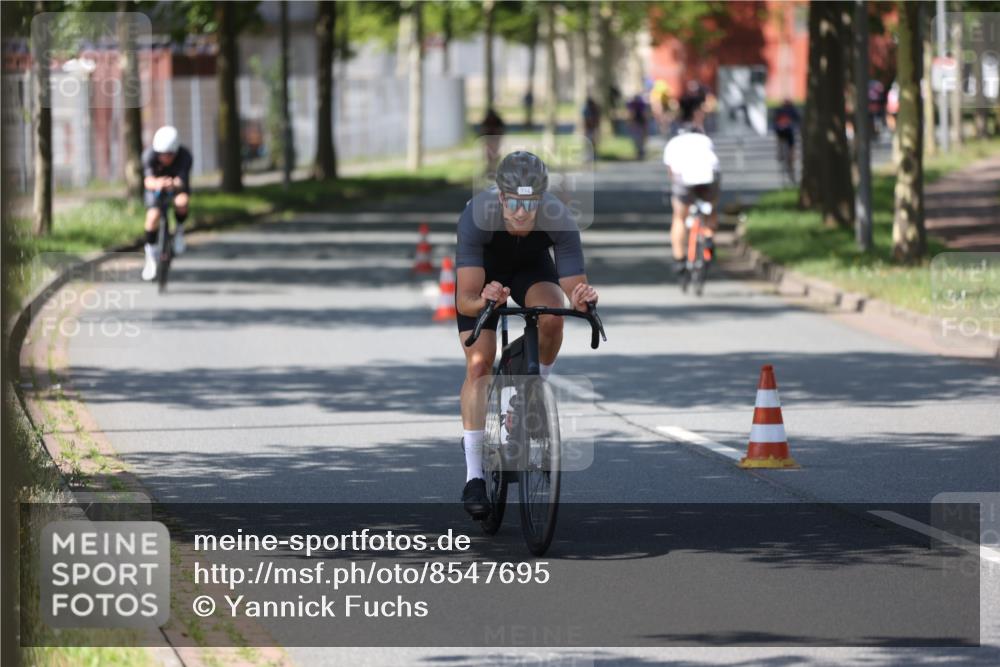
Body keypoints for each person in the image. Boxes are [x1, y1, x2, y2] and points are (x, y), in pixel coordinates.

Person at [454, 151, 599, 518]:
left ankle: (533, 390)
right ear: (501, 197)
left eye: (530, 202)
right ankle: (473, 476)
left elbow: (573, 285)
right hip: (484, 275)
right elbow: (465, 299)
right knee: (479, 364)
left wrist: (582, 298)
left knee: (552, 318)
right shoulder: (477, 216)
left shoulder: (558, 218)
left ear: (541, 199)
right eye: (514, 202)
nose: (521, 212)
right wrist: (484, 299)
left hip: (531, 269)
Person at [662, 94, 721, 277]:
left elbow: (671, 173)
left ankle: (679, 259)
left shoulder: (673, 143)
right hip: (709, 177)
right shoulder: (705, 140)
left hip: (684, 179)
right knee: (711, 208)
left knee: (679, 217)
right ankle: (709, 237)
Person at [141, 125, 193, 281]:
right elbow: (147, 181)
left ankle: (179, 231)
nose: (165, 158)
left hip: (177, 185)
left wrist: (173, 184)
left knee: (182, 202)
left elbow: (182, 179)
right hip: (156, 187)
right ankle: (150, 255)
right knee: (152, 217)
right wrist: (158, 183)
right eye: (161, 154)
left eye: (169, 155)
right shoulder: (148, 155)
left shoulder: (185, 156)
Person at [773, 98, 800, 176]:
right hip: (788, 131)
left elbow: (775, 120)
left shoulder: (779, 109)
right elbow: (798, 119)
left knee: (780, 140)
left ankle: (780, 153)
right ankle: (790, 158)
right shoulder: (792, 109)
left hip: (780, 131)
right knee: (791, 146)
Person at [480, 108, 506, 177]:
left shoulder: (497, 120)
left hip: (495, 139)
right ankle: (489, 169)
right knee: (489, 155)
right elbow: (483, 130)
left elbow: (501, 130)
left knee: (495, 154)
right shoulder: (487, 120)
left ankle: (494, 169)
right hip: (489, 139)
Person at [626, 93, 649, 160]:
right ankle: (640, 152)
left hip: (639, 123)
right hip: (637, 123)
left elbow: (632, 114)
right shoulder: (635, 105)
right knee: (638, 139)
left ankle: (640, 152)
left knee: (638, 139)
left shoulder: (640, 105)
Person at [582, 96, 601, 161]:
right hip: (590, 128)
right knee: (590, 142)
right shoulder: (587, 109)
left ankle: (592, 155)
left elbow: (588, 120)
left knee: (591, 142)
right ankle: (590, 155)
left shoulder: (592, 109)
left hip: (591, 128)